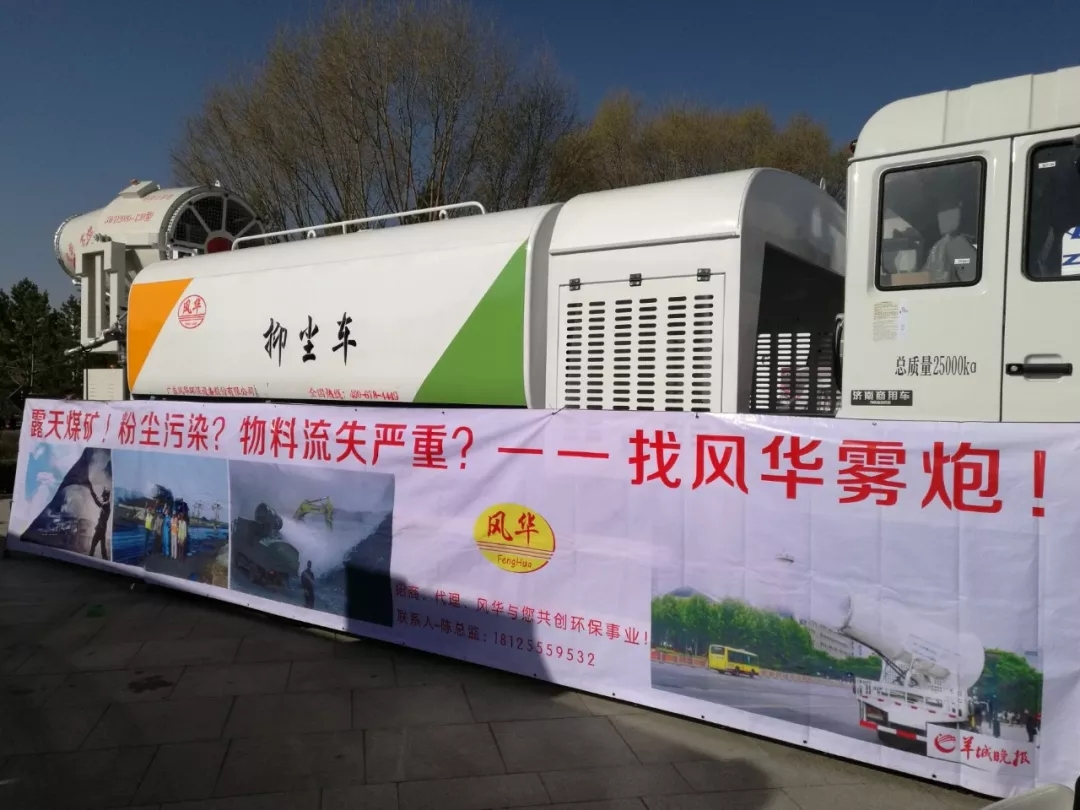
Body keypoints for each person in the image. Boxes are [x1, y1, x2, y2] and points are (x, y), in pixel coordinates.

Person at [86, 483, 111, 561]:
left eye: (103, 496)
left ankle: (89, 561)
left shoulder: (107, 504)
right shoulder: (106, 504)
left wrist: (92, 491)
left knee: (93, 546)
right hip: (101, 529)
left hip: (101, 529)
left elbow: (99, 503)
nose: (102, 497)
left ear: (106, 496)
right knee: (102, 551)